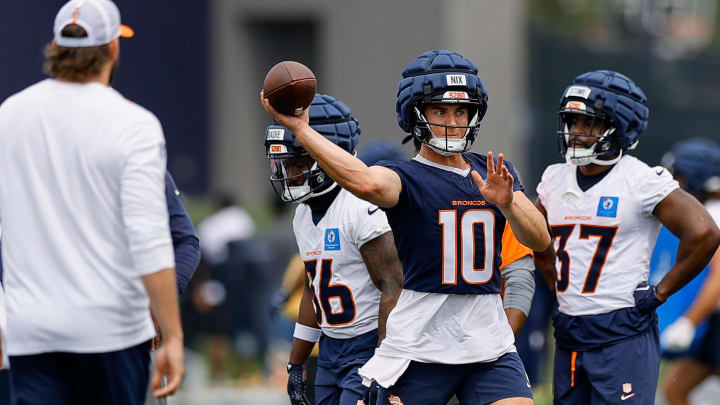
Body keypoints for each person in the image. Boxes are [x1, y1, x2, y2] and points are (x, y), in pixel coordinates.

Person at [262, 50, 550, 405]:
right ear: (416, 114)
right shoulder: (405, 176)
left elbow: (540, 238)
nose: (452, 121)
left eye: (460, 111)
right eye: (440, 110)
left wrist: (507, 202)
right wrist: (302, 130)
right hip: (420, 346)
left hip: (487, 346)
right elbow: (366, 182)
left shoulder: (490, 172)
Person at [0, 1, 184, 403]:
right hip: (112, 333)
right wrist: (172, 335)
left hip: (32, 333)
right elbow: (149, 239)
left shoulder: (8, 117)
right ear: (113, 48)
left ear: (54, 45)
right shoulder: (134, 124)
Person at [533, 70, 720, 405]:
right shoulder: (553, 179)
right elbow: (537, 240)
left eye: (587, 123)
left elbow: (704, 233)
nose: (575, 131)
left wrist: (660, 292)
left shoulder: (640, 180)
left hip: (622, 329)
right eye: (572, 121)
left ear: (618, 126)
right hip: (571, 329)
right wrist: (556, 286)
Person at [265, 94, 403, 405]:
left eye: (298, 163)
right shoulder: (303, 214)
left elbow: (393, 285)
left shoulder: (360, 206)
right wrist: (296, 364)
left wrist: (384, 360)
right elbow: (314, 291)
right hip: (330, 347)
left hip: (367, 343)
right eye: (285, 165)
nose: (289, 174)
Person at [659, 139, 720, 405]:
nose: (674, 183)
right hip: (714, 321)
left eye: (678, 176)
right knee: (675, 390)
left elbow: (719, 279)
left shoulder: (713, 214)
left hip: (714, 321)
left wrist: (688, 323)